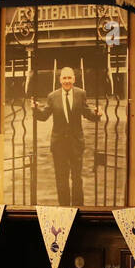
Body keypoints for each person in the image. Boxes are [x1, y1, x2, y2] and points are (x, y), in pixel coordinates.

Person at [32, 66, 99, 206]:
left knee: (77, 178)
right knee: (61, 179)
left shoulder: (81, 94)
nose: (67, 81)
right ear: (60, 80)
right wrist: (35, 109)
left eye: (69, 78)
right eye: (64, 78)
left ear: (74, 79)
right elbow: (44, 116)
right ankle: (64, 208)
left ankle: (78, 207)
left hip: (76, 143)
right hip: (59, 145)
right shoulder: (52, 96)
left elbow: (87, 113)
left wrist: (96, 115)